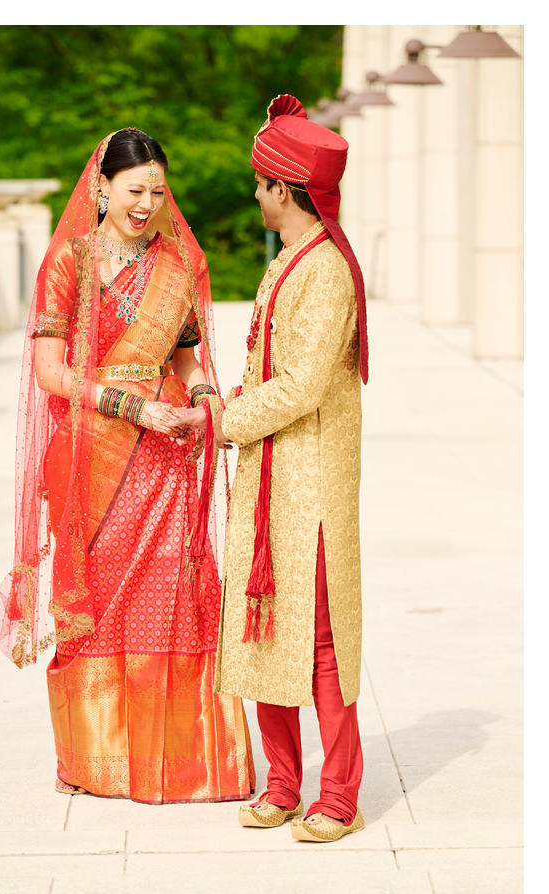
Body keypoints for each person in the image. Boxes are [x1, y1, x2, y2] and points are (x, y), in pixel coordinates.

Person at [0, 128, 255, 805]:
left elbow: (187, 357)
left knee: (170, 597)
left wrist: (202, 401)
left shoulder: (178, 263)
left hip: (167, 453)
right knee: (100, 603)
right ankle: (97, 756)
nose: (146, 204)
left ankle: (183, 761)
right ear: (101, 187)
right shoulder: (69, 263)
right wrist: (129, 406)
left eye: (158, 193)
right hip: (94, 453)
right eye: (135, 190)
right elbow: (50, 372)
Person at [174, 95, 369, 840]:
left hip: (310, 486)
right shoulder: (291, 258)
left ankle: (339, 794)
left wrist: (223, 418)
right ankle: (284, 783)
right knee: (263, 629)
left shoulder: (325, 272)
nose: (254, 195)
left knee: (320, 639)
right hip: (271, 477)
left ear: (281, 190)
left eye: (260, 184)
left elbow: (305, 385)